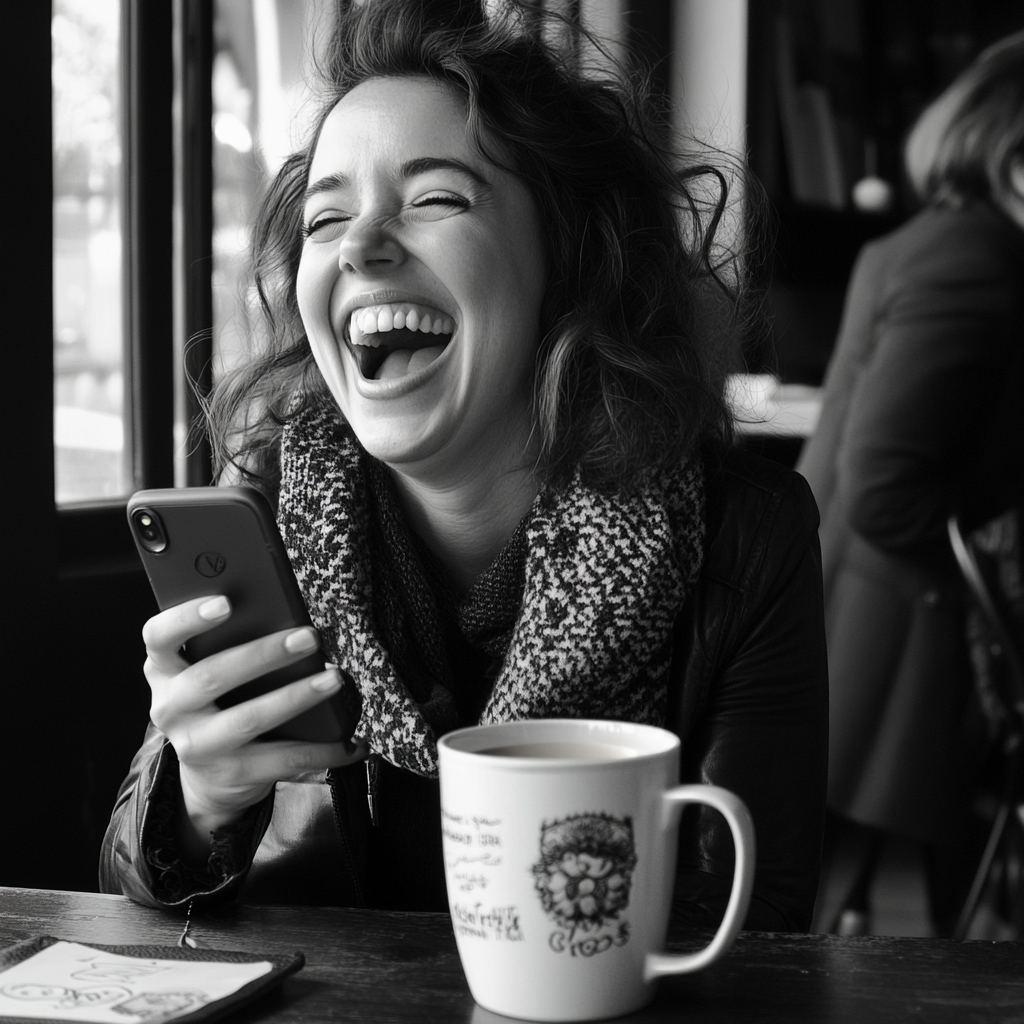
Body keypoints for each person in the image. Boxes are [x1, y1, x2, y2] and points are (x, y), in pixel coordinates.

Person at [101, 0, 828, 930]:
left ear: (570, 258)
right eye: (326, 220)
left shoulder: (744, 536)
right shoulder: (269, 519)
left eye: (436, 198)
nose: (360, 246)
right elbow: (135, 881)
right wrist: (196, 797)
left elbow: (757, 931)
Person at [797, 31, 1024, 936]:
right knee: (845, 929)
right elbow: (888, 486)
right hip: (899, 636)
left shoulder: (937, 242)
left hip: (855, 616)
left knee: (838, 918)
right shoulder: (978, 262)